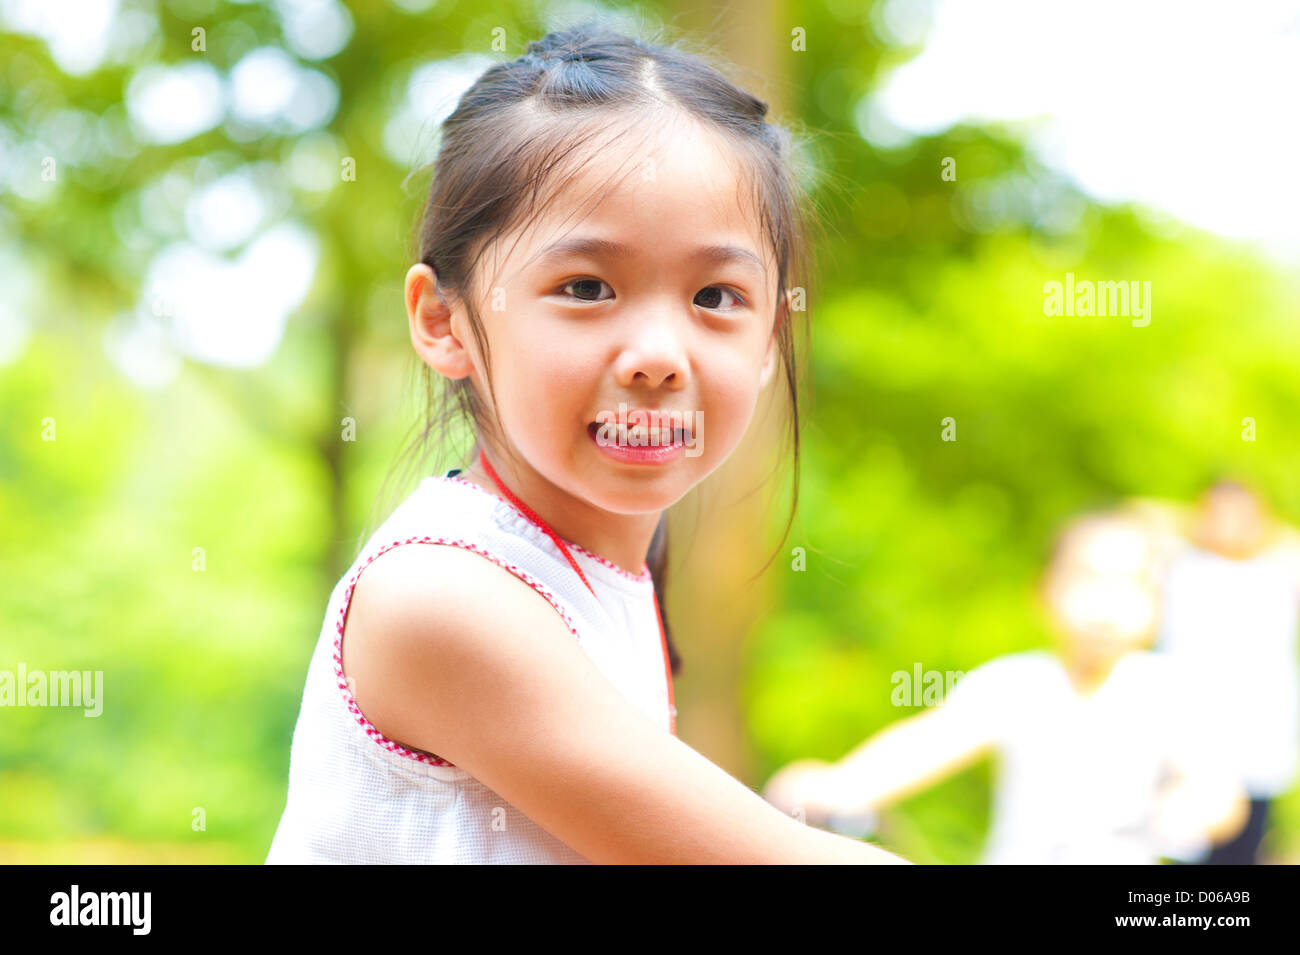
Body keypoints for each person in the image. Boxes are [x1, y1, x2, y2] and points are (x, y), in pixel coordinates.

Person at [265, 22, 909, 865]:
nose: (656, 356)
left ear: (769, 344)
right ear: (442, 318)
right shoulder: (441, 593)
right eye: (586, 287)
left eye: (716, 296)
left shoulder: (612, 578)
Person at [762, 510, 1250, 864]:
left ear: (1159, 604)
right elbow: (929, 741)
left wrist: (1196, 806)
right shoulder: (1017, 683)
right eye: (1088, 581)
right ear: (1045, 593)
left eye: (1130, 585)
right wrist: (838, 783)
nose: (1107, 605)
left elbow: (1218, 789)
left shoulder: (1164, 689)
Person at [1155, 480, 1300, 864]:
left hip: (1258, 737)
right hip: (1188, 736)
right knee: (1181, 847)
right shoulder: (1179, 567)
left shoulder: (1279, 573)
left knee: (1243, 851)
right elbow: (1136, 518)